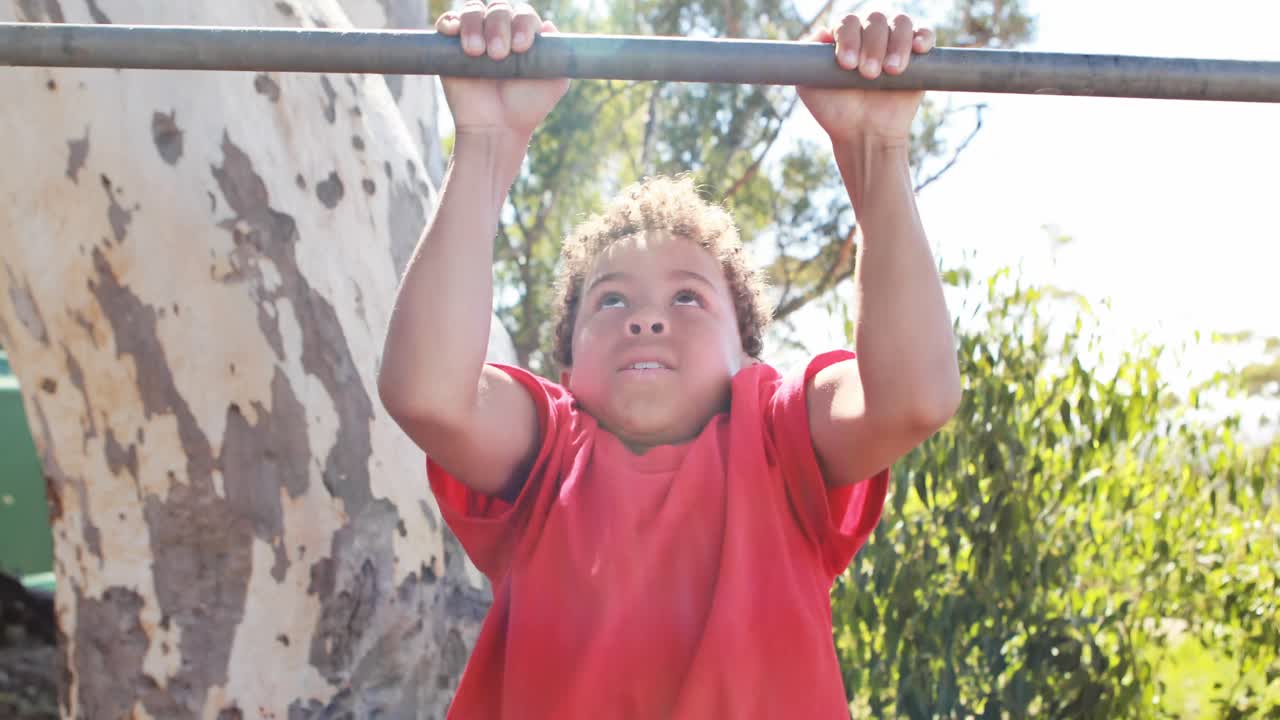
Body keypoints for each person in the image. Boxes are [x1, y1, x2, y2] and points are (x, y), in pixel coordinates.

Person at [378, 2, 961, 717]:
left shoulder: (777, 440)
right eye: (611, 302)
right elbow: (427, 394)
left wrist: (876, 153)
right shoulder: (551, 452)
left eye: (687, 300)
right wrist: (487, 142)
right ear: (568, 373)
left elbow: (913, 397)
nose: (647, 316)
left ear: (749, 355)